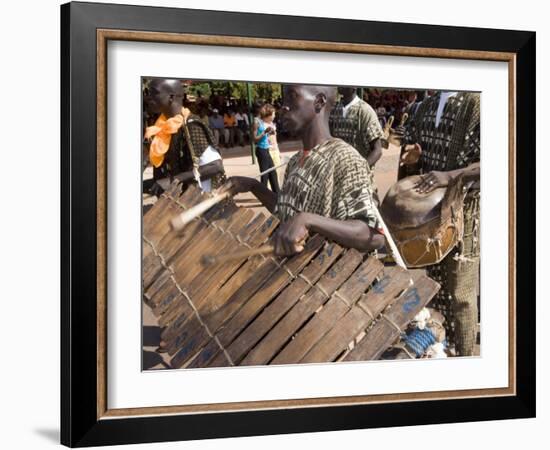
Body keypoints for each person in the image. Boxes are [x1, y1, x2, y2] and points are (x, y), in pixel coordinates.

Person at [226, 84, 385, 257]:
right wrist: (253, 186)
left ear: (319, 101)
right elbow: (287, 212)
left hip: (328, 279)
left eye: (292, 96)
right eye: (283, 99)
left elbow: (373, 236)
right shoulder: (295, 161)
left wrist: (308, 220)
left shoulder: (345, 159)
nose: (283, 107)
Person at [399, 90, 480, 356]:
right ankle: (441, 352)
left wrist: (450, 175)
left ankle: (468, 364)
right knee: (435, 289)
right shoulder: (425, 107)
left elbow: (503, 159)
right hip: (429, 217)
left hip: (464, 215)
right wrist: (412, 157)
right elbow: (413, 161)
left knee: (461, 294)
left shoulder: (476, 102)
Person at [143, 78, 225, 196]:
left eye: (153, 93)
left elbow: (216, 166)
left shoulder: (191, 125)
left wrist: (174, 180)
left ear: (171, 97)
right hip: (174, 198)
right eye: (147, 93)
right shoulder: (159, 128)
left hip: (196, 199)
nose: (148, 98)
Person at [329, 87, 384, 168]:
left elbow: (377, 150)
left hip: (358, 176)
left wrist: (361, 169)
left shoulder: (365, 111)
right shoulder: (333, 109)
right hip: (338, 171)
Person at [253, 104, 280, 193]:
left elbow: (267, 137)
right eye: (273, 114)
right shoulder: (257, 122)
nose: (274, 116)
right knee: (265, 175)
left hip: (266, 150)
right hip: (261, 150)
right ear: (268, 115)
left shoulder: (267, 123)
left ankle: (277, 194)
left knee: (272, 173)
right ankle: (263, 196)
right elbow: (255, 139)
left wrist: (270, 133)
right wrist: (265, 132)